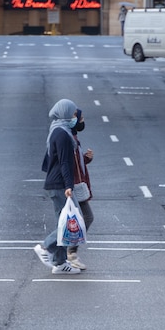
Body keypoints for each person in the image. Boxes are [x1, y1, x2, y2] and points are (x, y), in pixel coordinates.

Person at [34, 99, 82, 274]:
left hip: (57, 183)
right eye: (73, 114)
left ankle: (60, 263)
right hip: (61, 184)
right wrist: (68, 185)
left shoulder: (58, 130)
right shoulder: (61, 134)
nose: (75, 117)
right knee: (72, 222)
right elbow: (64, 162)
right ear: (65, 113)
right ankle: (46, 247)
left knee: (63, 221)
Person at [67, 109, 94, 270]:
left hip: (75, 185)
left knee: (77, 219)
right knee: (85, 218)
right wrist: (70, 185)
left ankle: (68, 253)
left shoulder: (73, 137)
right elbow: (66, 164)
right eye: (81, 118)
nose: (82, 121)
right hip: (72, 186)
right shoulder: (68, 137)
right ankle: (69, 253)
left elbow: (75, 162)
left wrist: (86, 159)